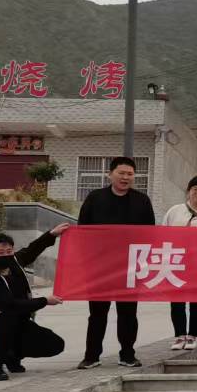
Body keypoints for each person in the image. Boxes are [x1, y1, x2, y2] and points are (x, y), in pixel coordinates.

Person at [77, 154, 156, 368]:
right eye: (121, 173)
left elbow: (150, 234)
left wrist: (144, 265)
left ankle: (128, 354)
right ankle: (92, 356)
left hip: (130, 268)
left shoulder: (142, 201)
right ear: (110, 174)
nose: (125, 177)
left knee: (128, 313)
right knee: (97, 313)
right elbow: (82, 231)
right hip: (99, 267)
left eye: (130, 174)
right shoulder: (95, 198)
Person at [0, 224, 69, 380]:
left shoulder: (15, 262)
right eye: (0, 253)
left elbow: (32, 250)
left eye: (9, 251)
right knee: (8, 318)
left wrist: (52, 234)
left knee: (55, 344)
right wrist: (44, 301)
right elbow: (9, 305)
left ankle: (11, 356)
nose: (6, 255)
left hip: (21, 319)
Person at [161, 176, 197, 350]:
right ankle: (179, 335)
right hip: (177, 260)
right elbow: (163, 234)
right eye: (195, 189)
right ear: (188, 191)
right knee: (177, 300)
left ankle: (192, 336)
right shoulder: (174, 211)